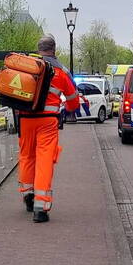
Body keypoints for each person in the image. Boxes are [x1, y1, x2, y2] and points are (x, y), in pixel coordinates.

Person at [16, 35, 79, 223]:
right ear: (54, 49)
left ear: (39, 49)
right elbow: (73, 100)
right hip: (47, 122)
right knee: (44, 159)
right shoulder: (60, 72)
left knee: (27, 156)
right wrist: (68, 109)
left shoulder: (27, 67)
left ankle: (28, 196)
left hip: (25, 119)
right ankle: (40, 208)